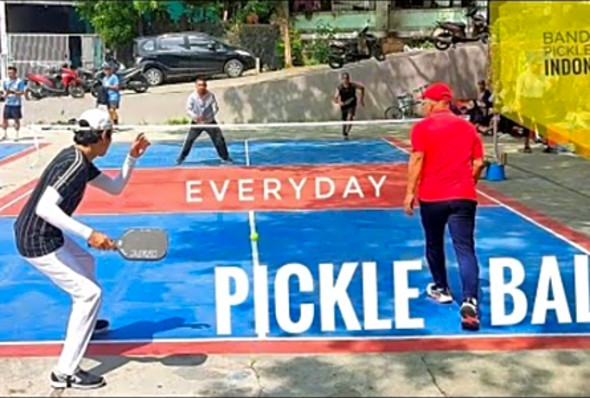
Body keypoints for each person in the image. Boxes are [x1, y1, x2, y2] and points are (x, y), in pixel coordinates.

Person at [13, 108, 150, 389]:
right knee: (89, 294)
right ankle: (64, 372)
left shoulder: (80, 159)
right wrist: (90, 233)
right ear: (102, 136)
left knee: (86, 263)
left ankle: (88, 324)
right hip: (36, 239)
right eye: (110, 135)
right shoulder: (74, 164)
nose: (110, 140)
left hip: (46, 234)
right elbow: (45, 208)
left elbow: (114, 188)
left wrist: (132, 158)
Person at [403, 82, 485, 331]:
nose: (423, 106)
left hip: (433, 197)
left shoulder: (422, 128)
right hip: (463, 196)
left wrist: (409, 193)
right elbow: (480, 162)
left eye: (424, 102)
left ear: (435, 102)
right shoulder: (468, 127)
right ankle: (470, 300)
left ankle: (441, 288)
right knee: (465, 248)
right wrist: (466, 184)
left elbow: (417, 158)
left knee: (434, 243)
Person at [177, 77, 232, 165]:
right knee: (189, 140)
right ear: (196, 86)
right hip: (197, 123)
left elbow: (215, 108)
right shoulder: (192, 97)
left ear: (206, 86)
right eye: (199, 85)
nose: (202, 87)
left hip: (210, 123)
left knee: (219, 140)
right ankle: (181, 158)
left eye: (203, 85)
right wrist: (196, 117)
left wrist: (209, 117)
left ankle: (225, 157)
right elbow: (188, 109)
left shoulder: (210, 95)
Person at [333, 72, 365, 140]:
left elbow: (362, 88)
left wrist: (361, 100)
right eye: (344, 78)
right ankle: (344, 133)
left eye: (347, 78)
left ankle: (347, 132)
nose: (346, 80)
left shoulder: (353, 85)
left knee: (350, 117)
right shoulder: (339, 87)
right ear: (342, 79)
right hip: (344, 105)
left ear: (349, 79)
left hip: (352, 104)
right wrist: (339, 102)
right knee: (344, 121)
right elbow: (335, 98)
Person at [2, 65, 26, 141]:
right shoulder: (5, 81)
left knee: (16, 119)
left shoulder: (19, 81)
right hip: (7, 103)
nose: (10, 74)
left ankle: (16, 135)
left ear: (15, 73)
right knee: (5, 119)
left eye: (11, 73)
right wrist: (4, 95)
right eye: (9, 73)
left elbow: (22, 92)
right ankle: (4, 134)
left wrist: (13, 92)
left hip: (16, 103)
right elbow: (4, 91)